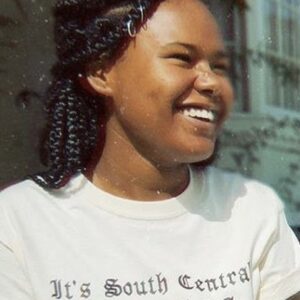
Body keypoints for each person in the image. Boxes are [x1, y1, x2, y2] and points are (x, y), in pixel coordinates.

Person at [0, 0, 299, 299]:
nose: (211, 82)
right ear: (101, 72)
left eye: (218, 66)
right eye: (182, 58)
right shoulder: (18, 225)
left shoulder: (250, 212)